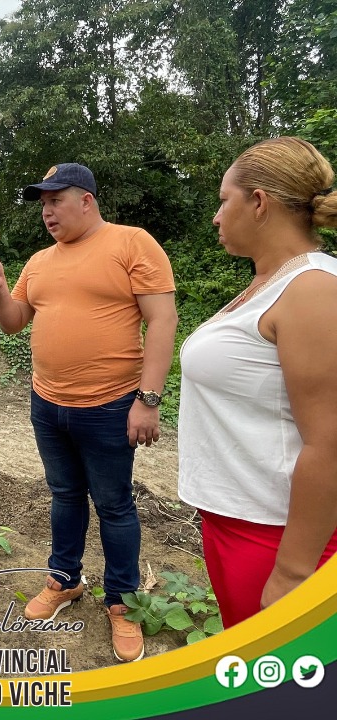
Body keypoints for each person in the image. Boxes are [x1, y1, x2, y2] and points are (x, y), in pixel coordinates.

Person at [0, 163, 177, 662]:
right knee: (64, 495)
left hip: (111, 405)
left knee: (114, 505)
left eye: (56, 200)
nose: (48, 211)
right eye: (43, 203)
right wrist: (0, 288)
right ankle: (64, 579)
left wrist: (148, 400)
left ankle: (122, 601)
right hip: (48, 403)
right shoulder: (39, 262)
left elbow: (162, 320)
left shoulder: (131, 243)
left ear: (87, 200)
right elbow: (14, 323)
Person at [178, 137, 337, 629]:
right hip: (238, 519)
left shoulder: (313, 290)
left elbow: (330, 440)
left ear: (259, 202)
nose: (216, 217)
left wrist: (292, 572)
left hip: (277, 534)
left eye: (224, 200)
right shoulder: (272, 282)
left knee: (281, 669)